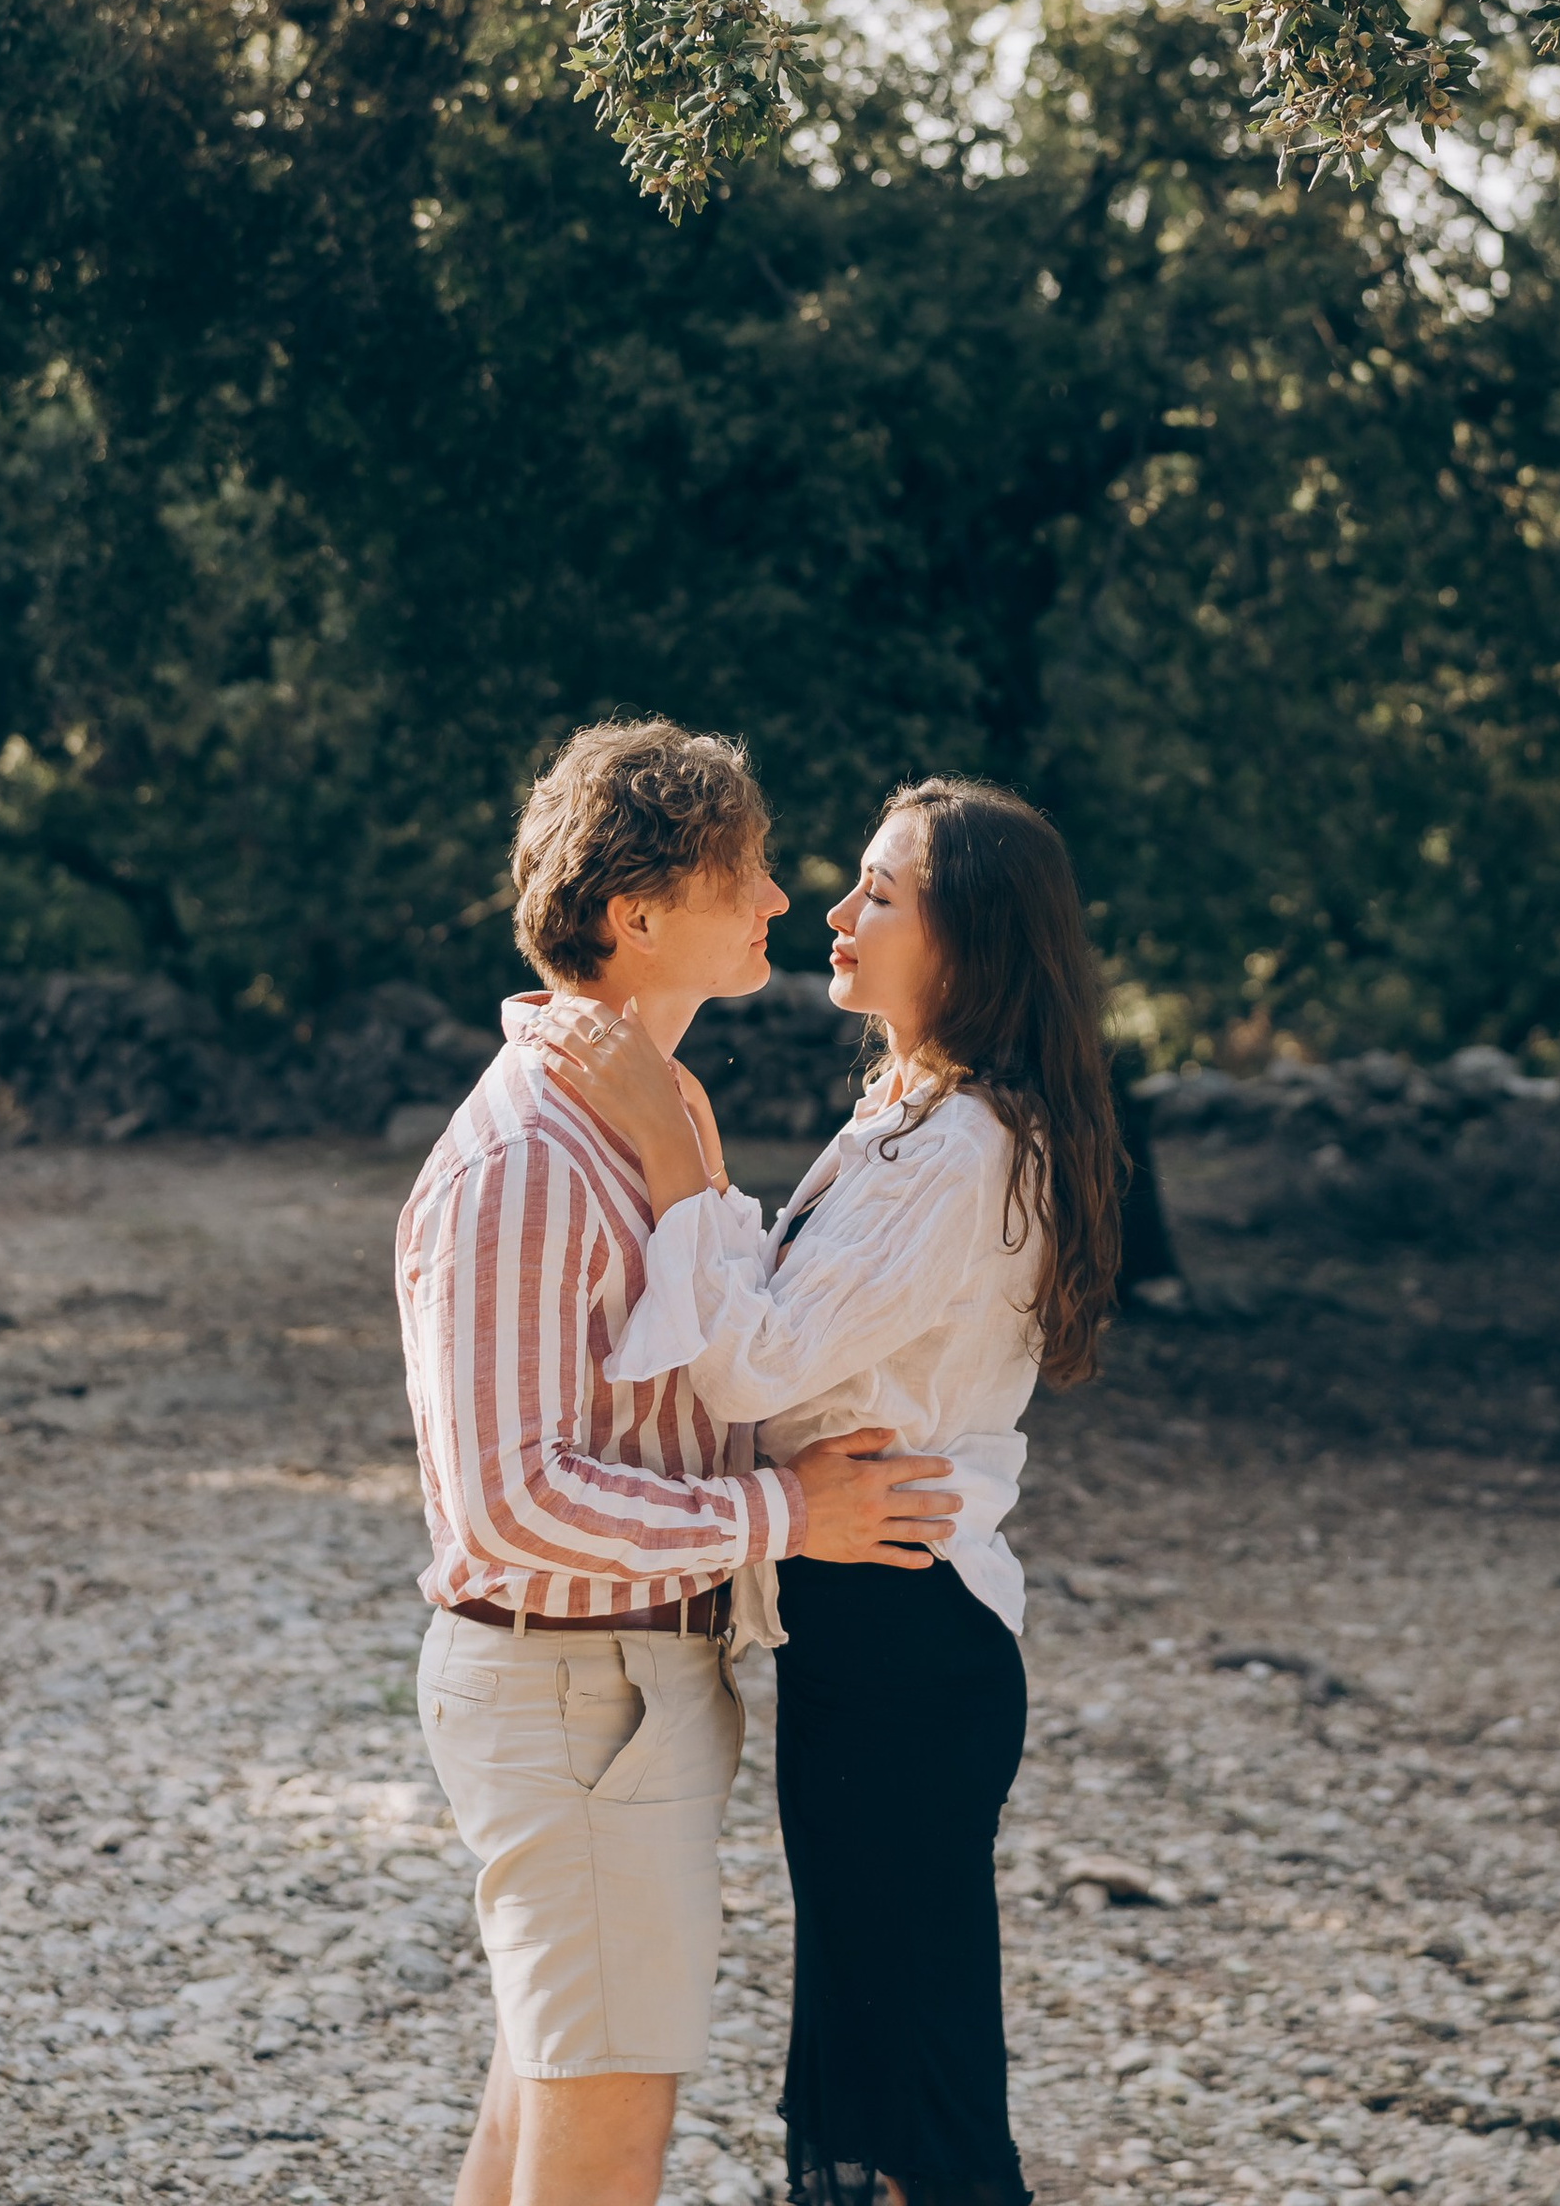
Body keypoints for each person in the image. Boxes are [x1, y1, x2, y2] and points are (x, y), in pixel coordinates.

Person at [532, 777, 1127, 2206]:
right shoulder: (912, 1113)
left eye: (881, 892)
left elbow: (757, 1369)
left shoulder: (972, 1146)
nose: (836, 912)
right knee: (872, 2043)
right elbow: (782, 1341)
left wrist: (680, 1157)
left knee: (912, 2074)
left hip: (911, 1641)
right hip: (869, 1633)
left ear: (970, 937)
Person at [396, 719, 962, 2206]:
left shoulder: (654, 1112)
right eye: (749, 874)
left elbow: (706, 1361)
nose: (781, 901)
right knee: (602, 2145)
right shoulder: (530, 1156)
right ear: (641, 917)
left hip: (623, 1692)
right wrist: (790, 1513)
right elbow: (510, 1502)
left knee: (540, 2109)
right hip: (573, 1691)